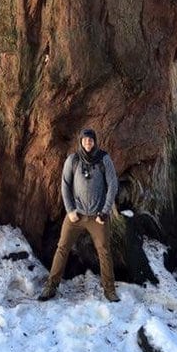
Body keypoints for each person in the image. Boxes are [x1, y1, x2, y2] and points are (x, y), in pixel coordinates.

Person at [38, 128, 120, 302]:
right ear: (81, 142)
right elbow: (65, 185)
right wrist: (70, 210)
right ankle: (51, 286)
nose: (88, 143)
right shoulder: (73, 160)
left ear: (95, 141)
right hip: (76, 215)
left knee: (104, 251)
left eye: (91, 140)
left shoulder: (104, 159)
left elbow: (112, 186)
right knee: (62, 248)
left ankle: (110, 290)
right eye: (85, 140)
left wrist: (104, 212)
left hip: (98, 216)